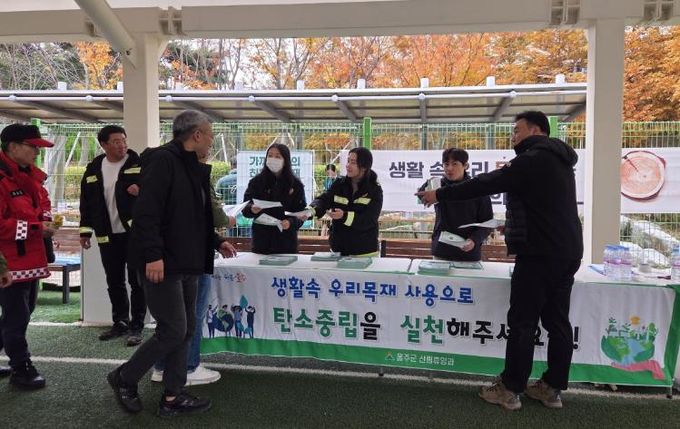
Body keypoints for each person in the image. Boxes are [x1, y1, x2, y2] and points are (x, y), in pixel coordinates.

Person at [417, 111, 583, 411]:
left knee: (522, 321)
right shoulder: (559, 160)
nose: (513, 135)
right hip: (566, 251)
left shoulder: (533, 158)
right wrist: (513, 225)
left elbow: (486, 183)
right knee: (557, 321)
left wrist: (439, 194)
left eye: (517, 130)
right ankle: (551, 388)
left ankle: (510, 389)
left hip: (539, 254)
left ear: (536, 130)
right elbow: (542, 208)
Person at [107, 110, 235, 417]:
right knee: (174, 329)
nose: (211, 142)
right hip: (163, 263)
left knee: (186, 328)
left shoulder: (194, 167)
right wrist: (153, 255)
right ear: (196, 135)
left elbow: (194, 217)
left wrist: (216, 241)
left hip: (188, 261)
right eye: (210, 135)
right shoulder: (163, 161)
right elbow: (147, 213)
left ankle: (173, 396)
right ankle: (124, 377)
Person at [150, 145, 237, 386]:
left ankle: (162, 367)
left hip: (179, 257)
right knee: (190, 317)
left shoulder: (165, 178)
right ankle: (187, 367)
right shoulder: (191, 176)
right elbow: (212, 217)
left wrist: (217, 241)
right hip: (189, 259)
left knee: (173, 320)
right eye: (207, 140)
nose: (209, 147)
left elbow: (195, 221)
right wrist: (226, 221)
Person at [79, 125, 146, 346]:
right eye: (116, 141)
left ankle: (137, 326)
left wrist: (141, 191)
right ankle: (120, 322)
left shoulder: (139, 165)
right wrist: (85, 231)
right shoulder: (93, 169)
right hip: (107, 235)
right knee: (114, 281)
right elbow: (86, 203)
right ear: (104, 145)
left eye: (124, 140)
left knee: (137, 282)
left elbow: (156, 194)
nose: (122, 145)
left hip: (134, 234)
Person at [0, 124, 55, 389]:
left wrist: (46, 221)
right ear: (13, 147)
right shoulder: (2, 179)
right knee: (17, 317)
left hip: (31, 259)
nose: (36, 152)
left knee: (22, 312)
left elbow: (43, 203)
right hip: (9, 263)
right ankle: (21, 368)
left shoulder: (30, 176)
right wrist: (35, 228)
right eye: (32, 147)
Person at [304, 147, 383, 256]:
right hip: (338, 251)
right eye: (348, 161)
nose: (348, 165)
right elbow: (324, 200)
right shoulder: (339, 184)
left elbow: (368, 220)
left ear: (364, 167)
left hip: (365, 253)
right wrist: (311, 211)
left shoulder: (374, 190)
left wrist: (344, 216)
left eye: (353, 162)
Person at [417, 148, 492, 261]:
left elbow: (487, 223)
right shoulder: (438, 186)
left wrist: (474, 240)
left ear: (466, 166)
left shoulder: (477, 189)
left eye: (455, 164)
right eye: (446, 164)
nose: (449, 168)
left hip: (468, 252)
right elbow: (421, 196)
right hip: (441, 251)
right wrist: (429, 184)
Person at [241, 143, 306, 254]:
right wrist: (252, 208)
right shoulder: (256, 182)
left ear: (285, 160)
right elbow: (245, 207)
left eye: (277, 156)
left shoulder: (295, 184)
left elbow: (301, 213)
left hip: (286, 243)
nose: (273, 159)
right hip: (261, 241)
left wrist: (290, 222)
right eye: (270, 155)